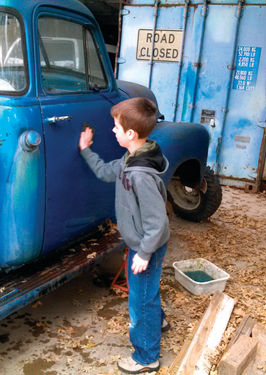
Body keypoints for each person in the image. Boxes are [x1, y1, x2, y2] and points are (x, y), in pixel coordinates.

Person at [78, 97, 170, 374]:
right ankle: (159, 322)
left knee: (139, 300)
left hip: (147, 246)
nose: (113, 131)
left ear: (130, 134)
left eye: (116, 127)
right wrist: (86, 149)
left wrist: (143, 253)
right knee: (146, 292)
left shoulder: (140, 174)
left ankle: (146, 357)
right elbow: (106, 172)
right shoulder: (132, 157)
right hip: (143, 243)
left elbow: (159, 223)